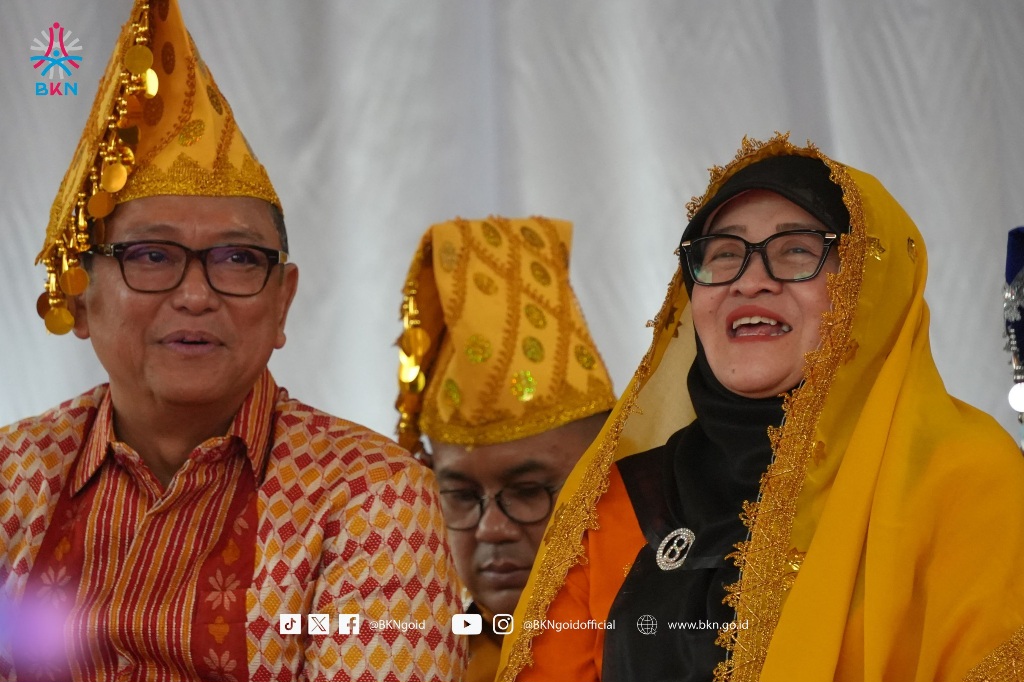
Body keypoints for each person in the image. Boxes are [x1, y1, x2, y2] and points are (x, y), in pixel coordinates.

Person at [0, 1, 464, 680]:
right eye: (152, 255)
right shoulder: (12, 477)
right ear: (80, 296)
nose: (196, 294)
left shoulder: (373, 497)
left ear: (282, 303)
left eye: (239, 259)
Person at [497, 134, 1024, 681]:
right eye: (724, 253)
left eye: (796, 250)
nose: (750, 281)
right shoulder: (623, 502)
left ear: (867, 283)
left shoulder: (961, 477)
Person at [394, 216, 616, 682]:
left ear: (605, 482)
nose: (491, 529)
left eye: (528, 491)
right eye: (460, 495)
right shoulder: (407, 653)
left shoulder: (668, 645)